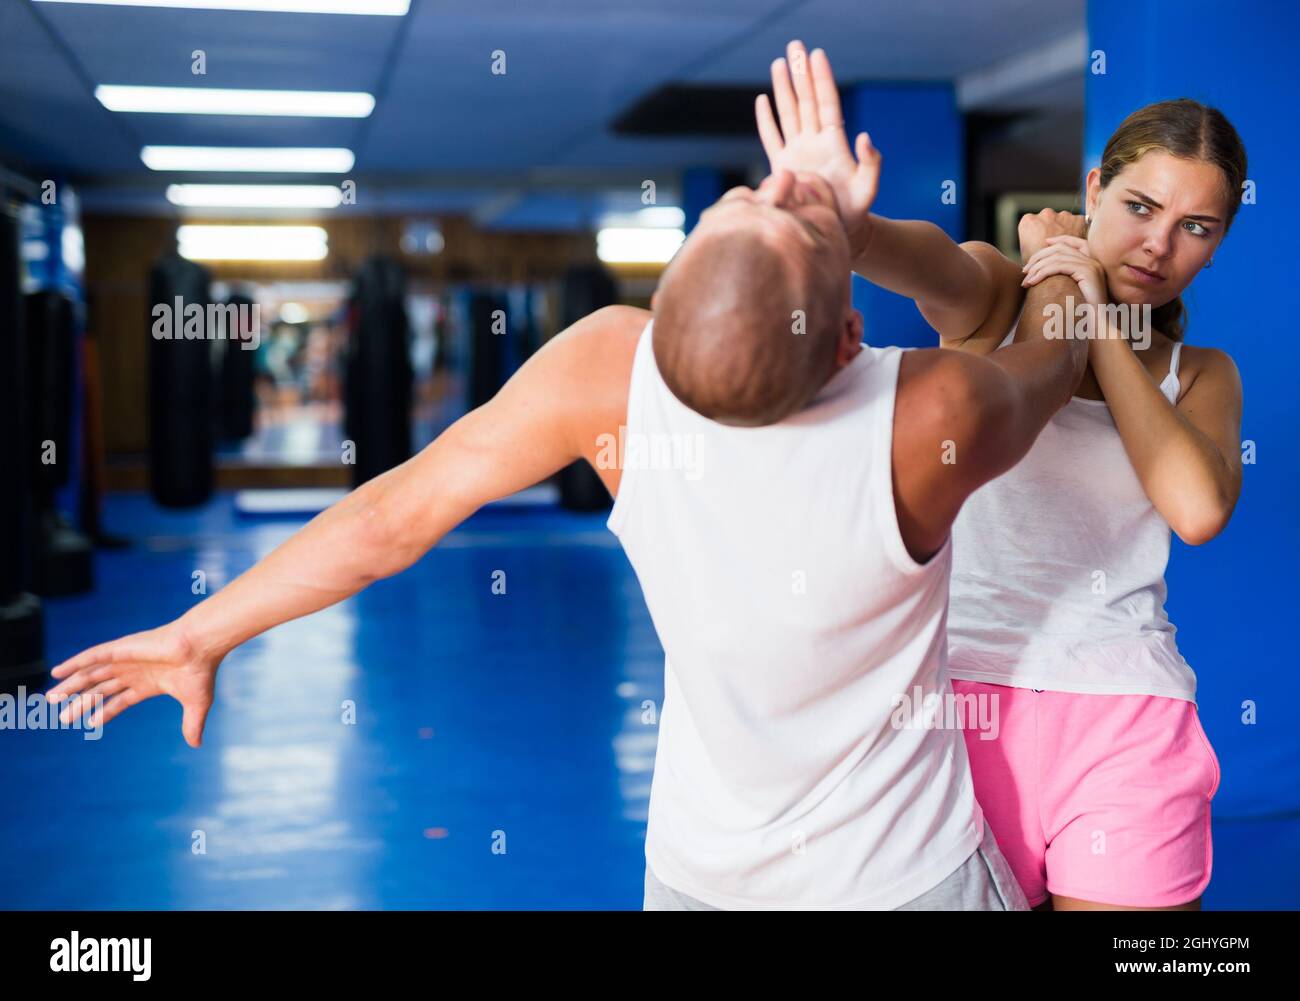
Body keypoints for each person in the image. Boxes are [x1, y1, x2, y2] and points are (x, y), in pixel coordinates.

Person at [47, 42, 1090, 909]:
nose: (771, 184)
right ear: (848, 334)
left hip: (701, 878)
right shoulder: (928, 412)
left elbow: (389, 520)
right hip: (899, 879)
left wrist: (201, 630)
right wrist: (1043, 257)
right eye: (761, 201)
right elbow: (1047, 349)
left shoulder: (608, 373)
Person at [762, 42, 1244, 911]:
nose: (1159, 244)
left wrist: (1094, 313)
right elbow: (930, 263)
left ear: (1218, 244)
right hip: (960, 712)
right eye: (1139, 206)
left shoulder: (1201, 373)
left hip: (1128, 718)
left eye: (1196, 228)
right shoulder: (998, 297)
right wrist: (849, 224)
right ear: (1094, 188)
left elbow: (1197, 507)